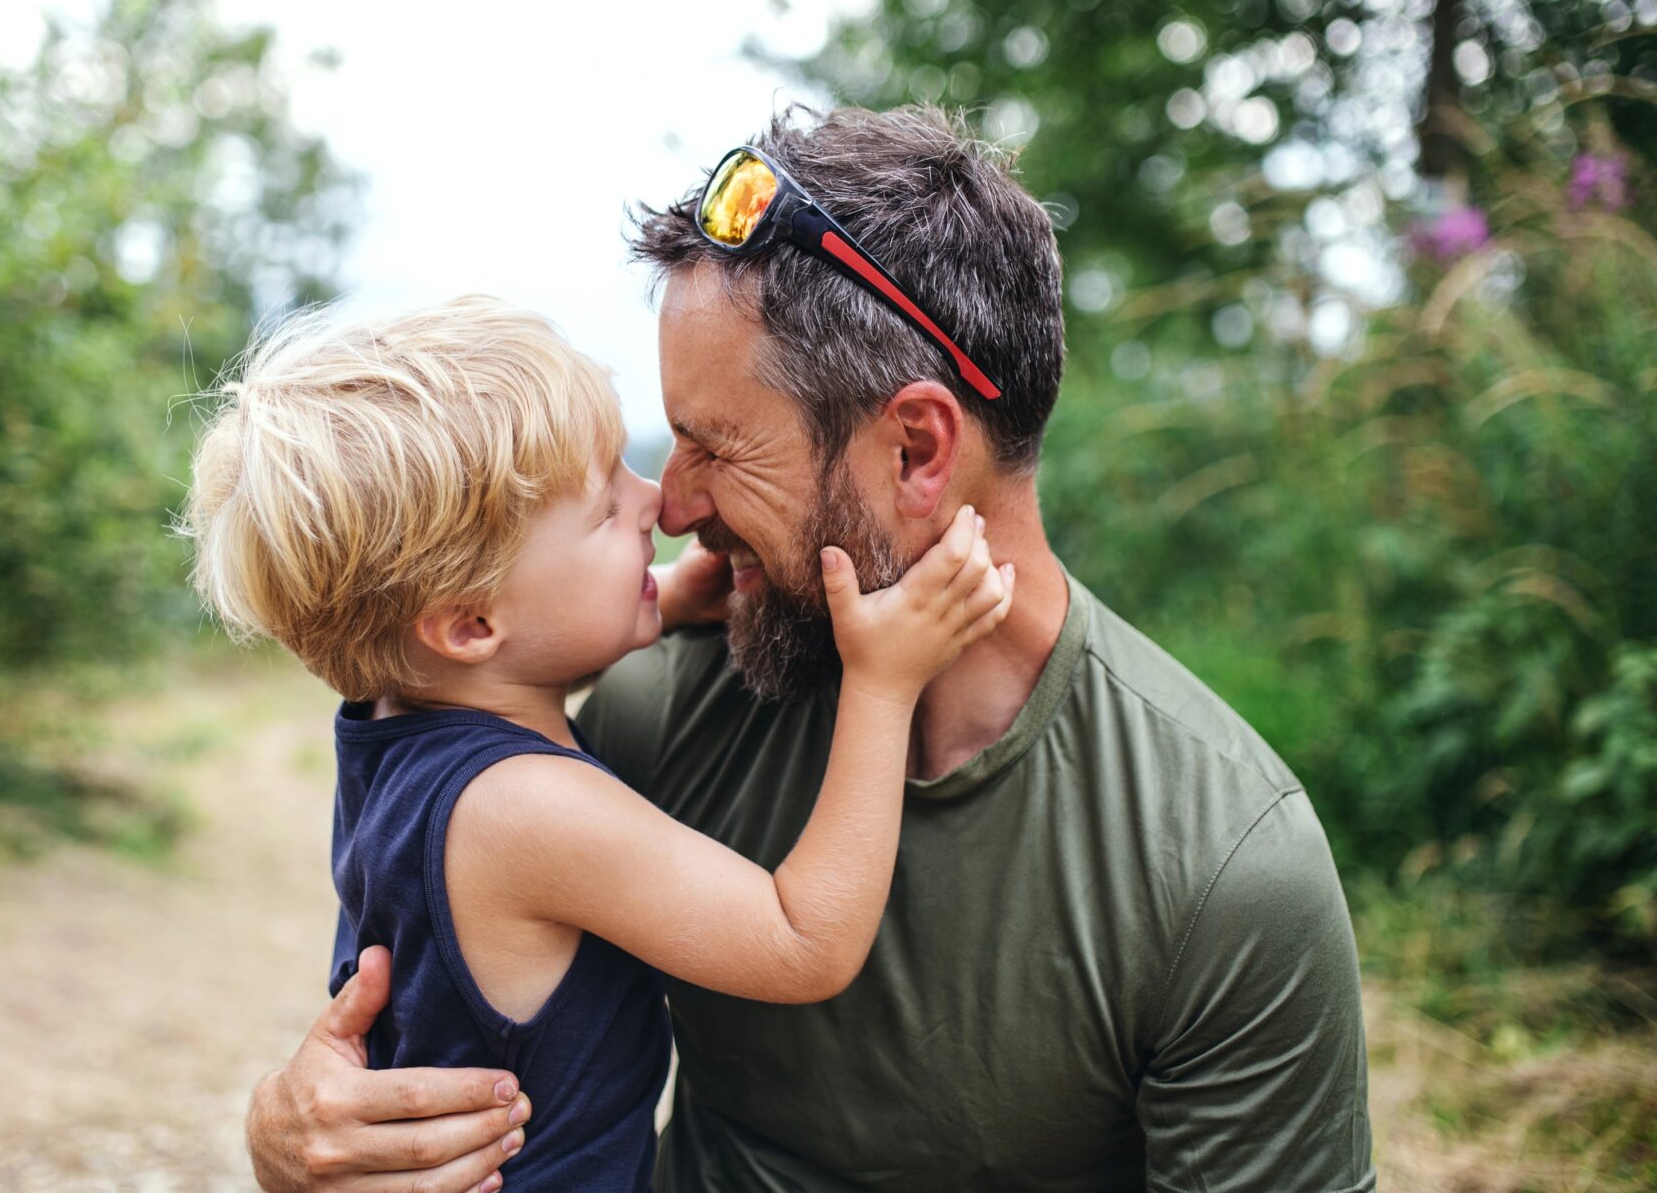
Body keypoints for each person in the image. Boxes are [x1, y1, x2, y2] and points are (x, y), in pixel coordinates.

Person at [244, 106, 1376, 1192]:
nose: (672, 504)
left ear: (916, 450)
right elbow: (437, 966)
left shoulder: (1223, 867)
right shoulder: (656, 714)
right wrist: (293, 1131)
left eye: (717, 447)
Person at [183, 295, 1016, 1191]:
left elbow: (505, 676)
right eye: (604, 509)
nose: (655, 500)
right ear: (469, 624)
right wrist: (883, 683)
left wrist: (659, 597)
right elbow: (802, 940)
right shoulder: (525, 810)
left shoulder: (390, 721)